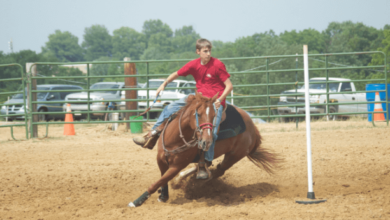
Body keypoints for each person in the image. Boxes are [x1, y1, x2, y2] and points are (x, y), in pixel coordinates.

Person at [133, 38, 233, 179]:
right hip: (197, 99)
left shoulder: (217, 64)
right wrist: (164, 84)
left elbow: (229, 86)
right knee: (169, 109)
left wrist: (219, 100)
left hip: (213, 103)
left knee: (212, 133)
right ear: (198, 52)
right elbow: (176, 74)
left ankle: (204, 164)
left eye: (209, 50)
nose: (208, 53)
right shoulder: (193, 64)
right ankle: (151, 135)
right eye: (205, 51)